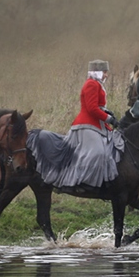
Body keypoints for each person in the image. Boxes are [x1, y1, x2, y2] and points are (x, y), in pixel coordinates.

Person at [56, 60, 123, 190]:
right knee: (97, 153)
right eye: (104, 72)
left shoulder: (96, 84)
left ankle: (100, 180)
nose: (106, 75)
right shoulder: (91, 84)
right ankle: (80, 182)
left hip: (97, 124)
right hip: (86, 125)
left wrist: (108, 113)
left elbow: (99, 106)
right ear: (97, 72)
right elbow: (92, 108)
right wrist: (109, 118)